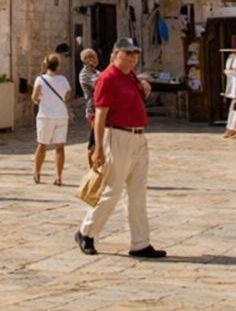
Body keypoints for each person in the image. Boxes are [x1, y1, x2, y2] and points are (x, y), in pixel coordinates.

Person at [75, 37, 166, 258]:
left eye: (135, 55)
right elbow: (100, 116)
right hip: (117, 136)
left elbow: (135, 98)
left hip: (138, 137)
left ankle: (140, 243)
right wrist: (97, 147)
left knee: (137, 192)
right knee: (112, 190)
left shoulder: (130, 76)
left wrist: (144, 88)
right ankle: (86, 232)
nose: (133, 59)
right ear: (115, 55)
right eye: (128, 54)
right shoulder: (107, 78)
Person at [32, 53, 71, 185]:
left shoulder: (40, 80)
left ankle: (37, 173)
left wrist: (40, 100)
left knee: (42, 145)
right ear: (58, 66)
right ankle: (58, 177)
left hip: (45, 116)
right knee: (60, 147)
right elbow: (67, 95)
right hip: (61, 116)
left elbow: (34, 98)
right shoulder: (63, 79)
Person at [78, 48, 100, 168]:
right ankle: (92, 167)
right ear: (85, 59)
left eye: (95, 55)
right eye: (91, 56)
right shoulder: (84, 74)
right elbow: (99, 84)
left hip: (100, 106)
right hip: (93, 108)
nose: (95, 58)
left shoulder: (96, 72)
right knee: (94, 136)